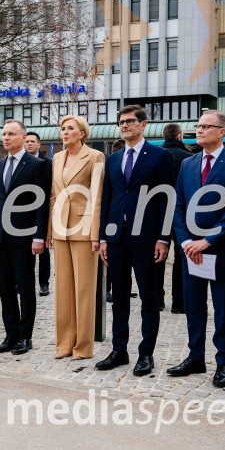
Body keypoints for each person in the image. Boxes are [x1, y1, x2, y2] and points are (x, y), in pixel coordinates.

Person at [167, 111, 225, 388]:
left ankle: (223, 362)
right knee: (193, 306)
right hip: (191, 250)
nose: (199, 130)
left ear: (222, 131)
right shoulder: (188, 164)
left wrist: (208, 240)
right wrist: (186, 240)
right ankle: (195, 356)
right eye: (198, 126)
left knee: (223, 308)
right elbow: (178, 204)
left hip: (221, 251)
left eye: (206, 126)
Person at [96, 106, 173, 375]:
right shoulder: (113, 159)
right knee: (118, 297)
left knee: (149, 297)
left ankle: (146, 353)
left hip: (147, 238)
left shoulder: (160, 156)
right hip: (117, 237)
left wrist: (164, 238)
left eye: (130, 121)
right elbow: (107, 198)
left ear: (143, 125)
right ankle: (119, 350)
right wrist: (104, 236)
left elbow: (166, 199)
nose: (125, 126)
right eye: (121, 122)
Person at [0, 120, 50, 355]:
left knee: (25, 287)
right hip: (1, 236)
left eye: (11, 134)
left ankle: (26, 336)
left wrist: (39, 236)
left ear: (24, 137)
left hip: (24, 236)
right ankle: (10, 334)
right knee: (5, 288)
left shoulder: (36, 165)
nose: (6, 138)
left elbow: (42, 203)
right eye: (3, 134)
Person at [47, 115, 105, 360]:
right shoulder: (57, 158)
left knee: (83, 290)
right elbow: (53, 196)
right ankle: (64, 343)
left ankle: (83, 346)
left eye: (70, 128)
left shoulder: (95, 157)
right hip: (60, 229)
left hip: (83, 229)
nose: (65, 132)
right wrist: (49, 231)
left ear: (82, 133)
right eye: (63, 128)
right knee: (62, 288)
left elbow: (97, 195)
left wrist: (95, 234)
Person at [159, 123, 192, 314]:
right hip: (183, 212)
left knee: (157, 257)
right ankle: (179, 302)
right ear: (179, 136)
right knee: (181, 258)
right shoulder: (189, 158)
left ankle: (158, 300)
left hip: (159, 212)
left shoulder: (155, 156)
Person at [25, 130, 52, 297]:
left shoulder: (47, 163)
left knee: (44, 251)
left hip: (42, 211)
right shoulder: (22, 161)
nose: (29, 143)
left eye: (32, 141)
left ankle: (44, 283)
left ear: (38, 144)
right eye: (26, 141)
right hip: (24, 213)